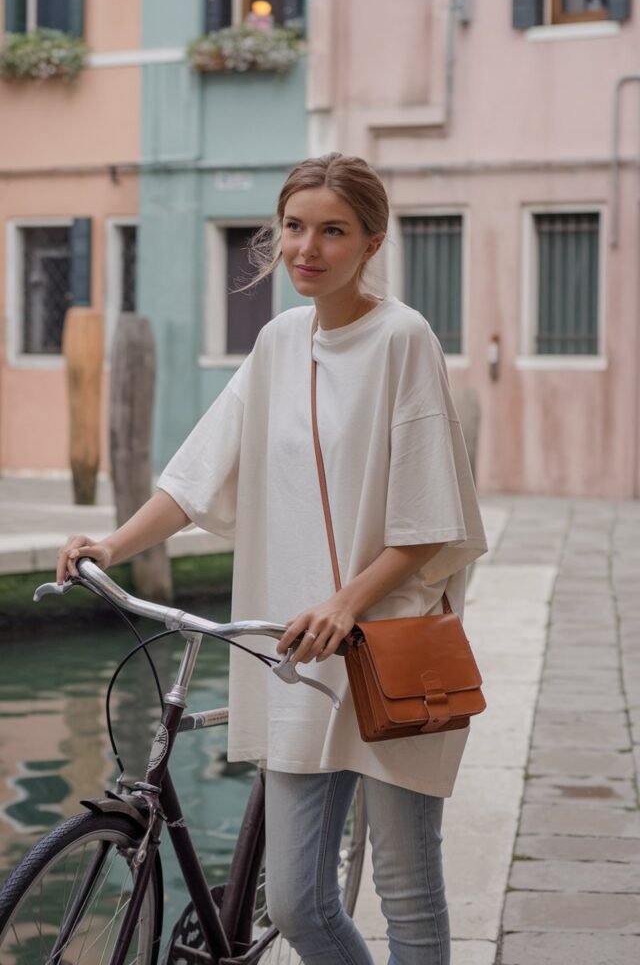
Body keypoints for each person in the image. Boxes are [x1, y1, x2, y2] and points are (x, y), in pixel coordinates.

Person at [58, 152, 487, 965]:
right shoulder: (278, 341)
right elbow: (198, 475)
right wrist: (110, 543)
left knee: (407, 894)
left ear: (370, 242)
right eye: (294, 227)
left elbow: (433, 519)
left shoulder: (403, 339)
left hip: (388, 648)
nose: (306, 248)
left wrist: (347, 600)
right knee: (294, 901)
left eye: (333, 231)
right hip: (293, 651)